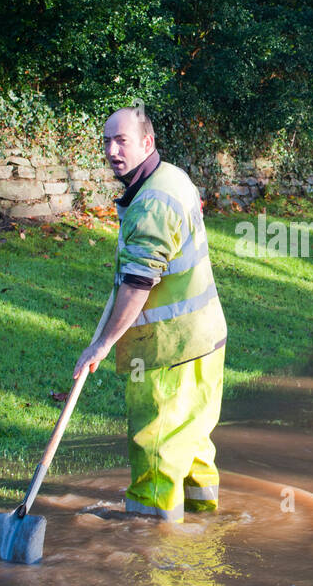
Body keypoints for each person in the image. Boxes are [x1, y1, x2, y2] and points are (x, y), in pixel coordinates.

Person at [74, 107, 227, 522]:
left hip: (168, 352)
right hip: (206, 340)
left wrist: (101, 345)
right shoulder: (172, 178)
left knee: (156, 447)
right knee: (193, 442)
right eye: (106, 141)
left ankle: (151, 543)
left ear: (147, 142)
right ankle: (205, 522)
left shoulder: (152, 204)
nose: (111, 150)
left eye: (120, 140)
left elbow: (138, 285)